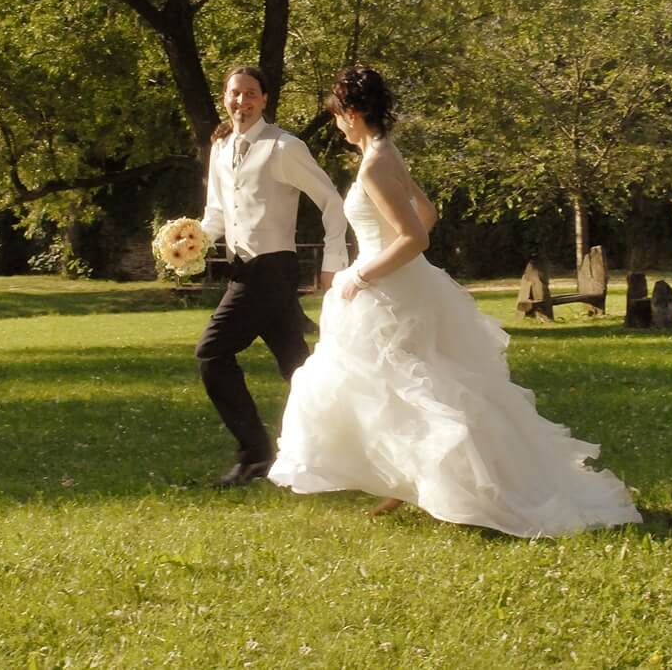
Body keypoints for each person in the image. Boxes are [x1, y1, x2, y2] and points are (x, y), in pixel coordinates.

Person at [268, 66, 641, 537]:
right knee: (403, 388)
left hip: (390, 292)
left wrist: (360, 272)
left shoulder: (375, 164)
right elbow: (430, 212)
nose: (338, 124)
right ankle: (404, 482)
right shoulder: (384, 154)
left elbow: (415, 235)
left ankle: (455, 485)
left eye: (339, 115)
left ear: (355, 113)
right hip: (405, 288)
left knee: (410, 391)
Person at [198, 66, 348, 487]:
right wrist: (187, 242)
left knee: (211, 354)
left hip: (271, 271)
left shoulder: (284, 147)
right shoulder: (221, 147)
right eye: (234, 94)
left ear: (264, 100)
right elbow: (215, 216)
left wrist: (332, 263)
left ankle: (255, 455)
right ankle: (347, 446)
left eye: (250, 95)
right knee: (298, 367)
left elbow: (332, 201)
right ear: (224, 98)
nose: (241, 102)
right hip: (242, 269)